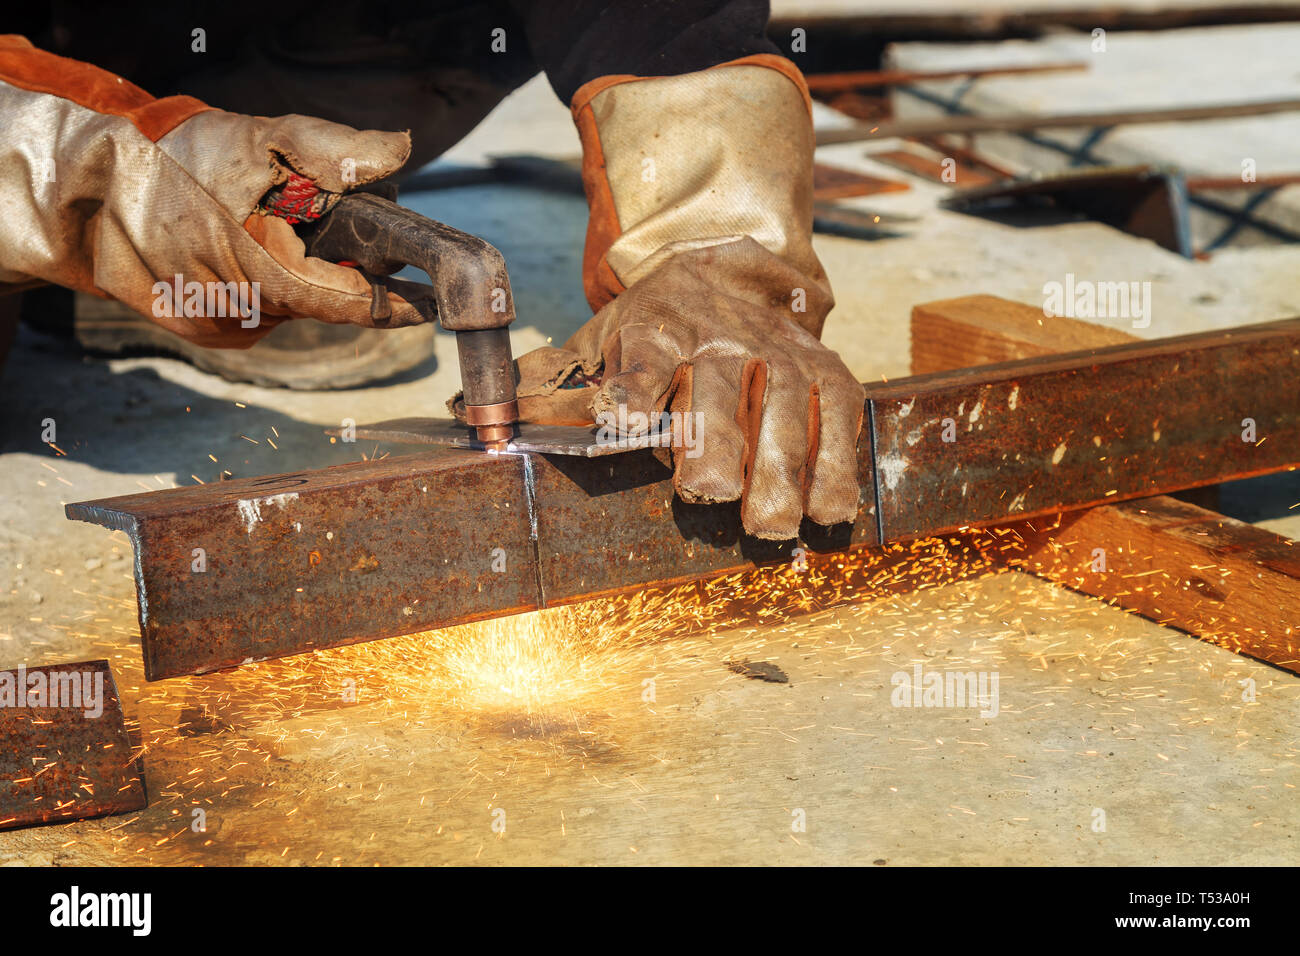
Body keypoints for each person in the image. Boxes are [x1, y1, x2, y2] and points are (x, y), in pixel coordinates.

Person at [0, 0, 864, 540]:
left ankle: (242, 259)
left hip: (283, 66)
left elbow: (668, 24)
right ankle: (115, 265)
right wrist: (114, 177)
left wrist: (711, 242)